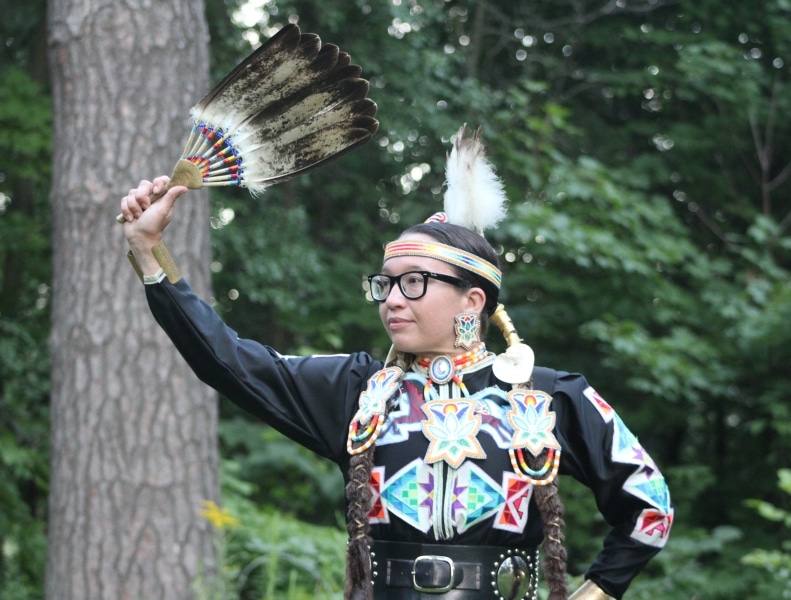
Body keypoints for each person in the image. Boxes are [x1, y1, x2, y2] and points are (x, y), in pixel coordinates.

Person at [120, 127, 673, 600]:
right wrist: (150, 253)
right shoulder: (357, 392)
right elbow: (229, 361)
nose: (391, 299)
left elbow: (649, 508)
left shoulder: (550, 400)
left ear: (472, 301)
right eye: (385, 284)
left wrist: (595, 593)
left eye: (414, 283)